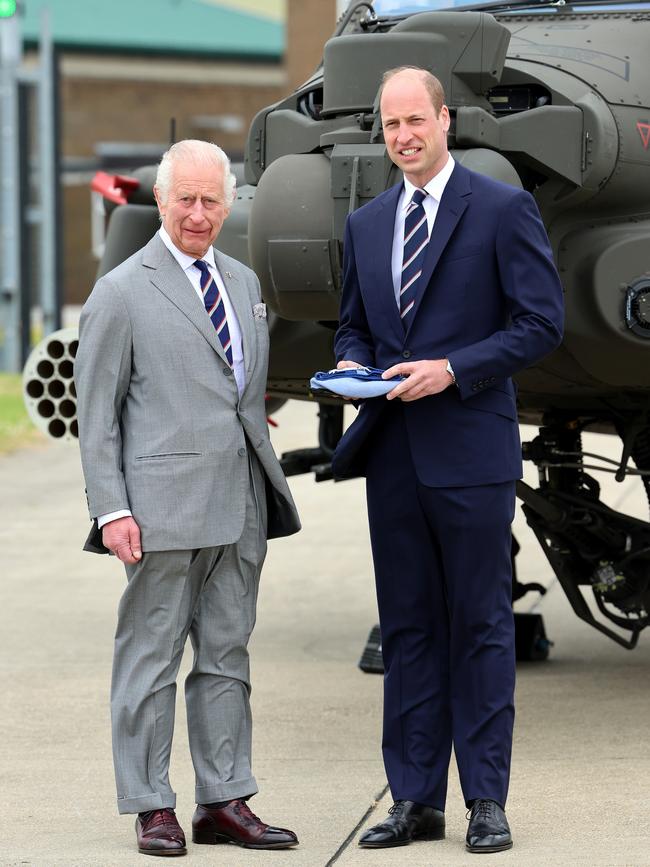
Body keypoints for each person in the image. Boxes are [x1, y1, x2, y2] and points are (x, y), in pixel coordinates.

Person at [333, 67, 564, 854]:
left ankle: (487, 801)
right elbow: (354, 329)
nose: (402, 137)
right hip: (393, 456)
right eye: (390, 124)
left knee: (481, 625)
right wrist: (354, 367)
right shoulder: (365, 224)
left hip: (470, 453)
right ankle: (415, 799)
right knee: (408, 631)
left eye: (414, 121)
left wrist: (454, 368)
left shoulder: (502, 209)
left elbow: (541, 323)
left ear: (445, 119)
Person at [75, 139, 301, 857]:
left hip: (241, 505)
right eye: (185, 200)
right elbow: (97, 412)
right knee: (150, 657)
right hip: (160, 509)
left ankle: (225, 798)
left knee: (227, 655)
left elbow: (239, 393)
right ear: (162, 202)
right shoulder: (121, 290)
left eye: (211, 201)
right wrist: (111, 508)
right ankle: (150, 804)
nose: (198, 214)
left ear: (228, 205)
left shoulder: (241, 280)